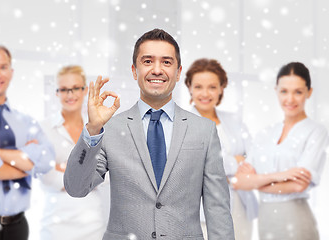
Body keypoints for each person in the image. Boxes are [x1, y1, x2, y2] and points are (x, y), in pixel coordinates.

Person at [64, 28, 234, 240]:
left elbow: (218, 209)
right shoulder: (110, 129)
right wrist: (92, 129)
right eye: (147, 61)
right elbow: (76, 187)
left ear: (178, 72)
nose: (157, 70)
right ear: (134, 71)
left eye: (166, 62)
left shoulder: (204, 130)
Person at [232, 62, 329, 240]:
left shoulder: (316, 131)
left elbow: (299, 185)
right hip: (266, 221)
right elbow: (238, 182)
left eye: (298, 92)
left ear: (309, 92)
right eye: (284, 91)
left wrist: (255, 181)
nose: (290, 99)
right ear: (276, 90)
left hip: (296, 220)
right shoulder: (265, 134)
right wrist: (279, 176)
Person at [0, 44, 54, 240]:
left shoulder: (26, 121)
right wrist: (26, 161)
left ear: (11, 72)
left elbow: (46, 161)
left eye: (3, 67)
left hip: (19, 226)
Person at [185, 58, 257, 240]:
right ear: (189, 87)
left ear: (221, 88)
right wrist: (236, 161)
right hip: (202, 209)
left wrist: (226, 166)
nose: (205, 93)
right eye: (199, 86)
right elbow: (196, 166)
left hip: (241, 204)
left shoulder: (235, 121)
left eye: (212, 87)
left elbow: (255, 159)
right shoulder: (183, 124)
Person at [39, 65, 106, 240]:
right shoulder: (44, 128)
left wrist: (65, 168)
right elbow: (44, 173)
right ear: (57, 93)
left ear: (84, 90)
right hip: (56, 221)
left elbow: (106, 171)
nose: (70, 95)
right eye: (64, 89)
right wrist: (85, 172)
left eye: (75, 88)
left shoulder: (98, 126)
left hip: (92, 220)